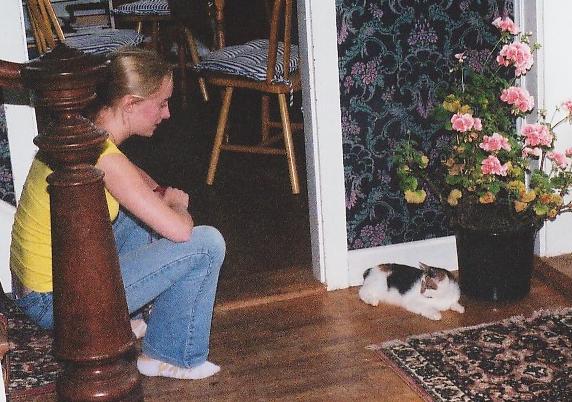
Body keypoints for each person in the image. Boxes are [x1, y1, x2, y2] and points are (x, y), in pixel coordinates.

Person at [9, 47, 225, 380]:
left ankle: (129, 321)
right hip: (56, 305)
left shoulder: (83, 132)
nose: (167, 114)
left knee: (138, 218)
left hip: (37, 291)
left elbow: (133, 175)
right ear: (130, 104)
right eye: (162, 103)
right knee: (206, 244)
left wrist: (158, 195)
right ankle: (169, 355)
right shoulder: (104, 158)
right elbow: (181, 231)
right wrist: (177, 204)